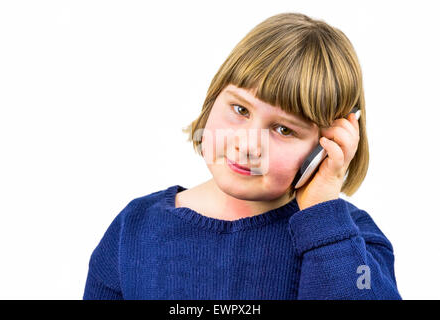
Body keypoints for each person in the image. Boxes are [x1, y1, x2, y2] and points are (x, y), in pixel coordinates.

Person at [83, 12, 402, 300]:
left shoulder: (351, 242)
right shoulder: (135, 228)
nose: (248, 144)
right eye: (240, 109)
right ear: (213, 98)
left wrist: (323, 220)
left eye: (284, 130)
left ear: (326, 145)